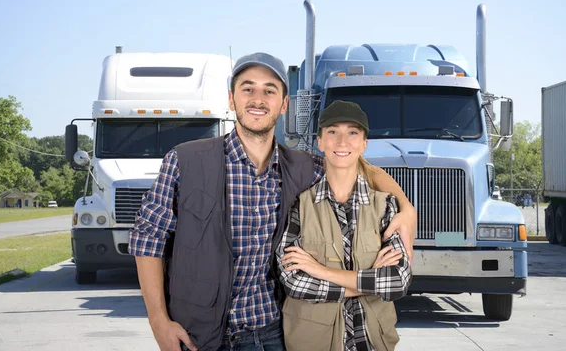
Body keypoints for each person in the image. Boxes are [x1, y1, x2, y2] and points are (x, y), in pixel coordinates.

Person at [128, 52, 417, 351]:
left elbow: (361, 168)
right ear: (231, 99)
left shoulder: (306, 168)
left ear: (283, 105)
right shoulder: (184, 160)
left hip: (270, 335)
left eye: (269, 90)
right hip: (196, 335)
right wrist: (158, 321)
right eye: (248, 88)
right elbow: (149, 238)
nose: (258, 98)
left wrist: (406, 208)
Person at [276, 100, 411, 351]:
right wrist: (369, 284)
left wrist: (319, 270)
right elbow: (293, 280)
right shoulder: (298, 206)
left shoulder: (386, 206)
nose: (342, 142)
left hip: (372, 342)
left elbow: (398, 280)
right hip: (313, 342)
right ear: (320, 141)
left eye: (352, 132)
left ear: (363, 144)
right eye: (333, 132)